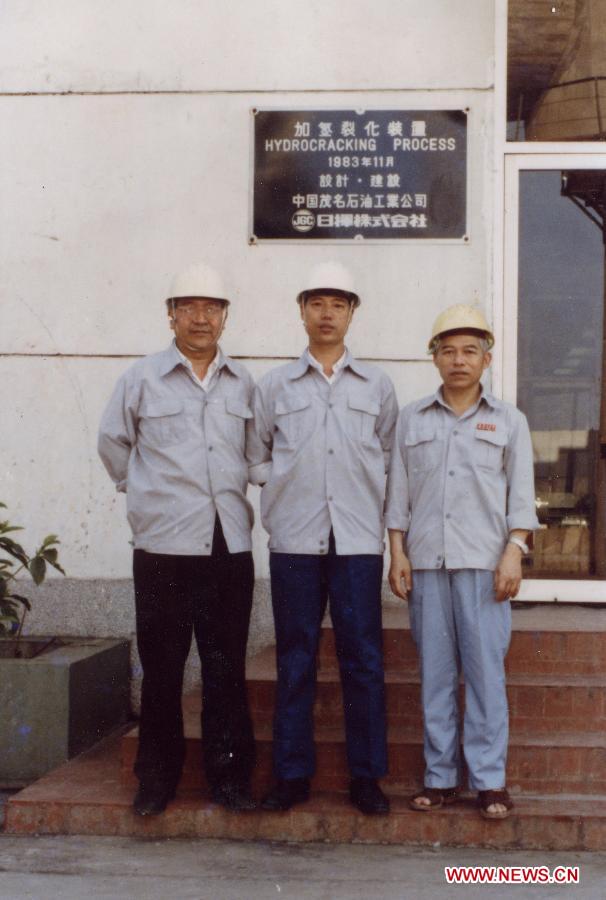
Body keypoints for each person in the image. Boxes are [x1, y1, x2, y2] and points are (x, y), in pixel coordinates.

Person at [98, 263, 256, 815]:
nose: (200, 317)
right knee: (162, 670)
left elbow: (256, 454)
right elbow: (113, 443)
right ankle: (156, 781)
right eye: (188, 306)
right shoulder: (141, 378)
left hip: (227, 547)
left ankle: (230, 780)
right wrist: (145, 493)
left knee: (224, 669)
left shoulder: (244, 383)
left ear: (225, 317)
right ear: (170, 313)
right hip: (163, 546)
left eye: (212, 307)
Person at [247, 261, 398, 815]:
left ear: (353, 312)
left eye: (339, 303)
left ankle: (366, 777)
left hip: (358, 541)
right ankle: (291, 776)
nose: (327, 313)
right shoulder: (275, 385)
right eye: (317, 303)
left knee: (363, 660)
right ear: (302, 311)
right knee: (295, 658)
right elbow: (256, 453)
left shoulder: (377, 386)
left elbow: (389, 457)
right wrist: (283, 484)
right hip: (294, 540)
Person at [385, 304, 538, 820]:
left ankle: (491, 781)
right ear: (434, 358)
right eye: (447, 350)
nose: (458, 360)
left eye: (469, 351)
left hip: (484, 566)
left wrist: (514, 552)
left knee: (485, 676)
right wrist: (397, 552)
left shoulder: (508, 420)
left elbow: (521, 496)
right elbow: (398, 493)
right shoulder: (413, 418)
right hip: (427, 564)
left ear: (486, 359)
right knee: (435, 675)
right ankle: (441, 776)